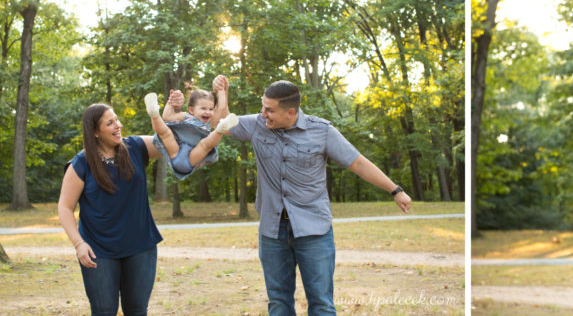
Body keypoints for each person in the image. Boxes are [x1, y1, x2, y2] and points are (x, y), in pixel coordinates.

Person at [169, 80, 412, 315]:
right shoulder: (256, 124)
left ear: (291, 112)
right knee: (279, 303)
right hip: (272, 232)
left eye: (269, 109)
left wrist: (395, 190)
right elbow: (218, 123)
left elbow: (357, 163)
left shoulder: (322, 130)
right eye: (263, 106)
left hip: (314, 230)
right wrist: (218, 94)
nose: (263, 113)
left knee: (321, 304)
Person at [57, 103, 165, 316]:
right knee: (104, 310)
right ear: (95, 132)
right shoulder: (81, 163)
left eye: (116, 119)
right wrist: (79, 244)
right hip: (99, 250)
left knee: (136, 310)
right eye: (110, 123)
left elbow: (169, 140)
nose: (118, 125)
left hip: (140, 247)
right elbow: (65, 207)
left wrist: (181, 112)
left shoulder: (136, 147)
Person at [144, 75, 239, 179]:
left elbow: (221, 108)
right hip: (176, 151)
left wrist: (221, 90)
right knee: (165, 133)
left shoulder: (209, 122)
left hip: (191, 159)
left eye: (211, 109)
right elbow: (167, 116)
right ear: (191, 110)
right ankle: (154, 113)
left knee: (205, 144)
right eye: (203, 108)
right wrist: (171, 103)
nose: (208, 112)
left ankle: (221, 129)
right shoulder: (186, 117)